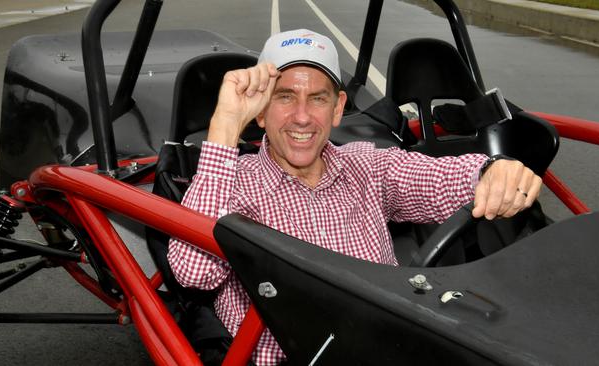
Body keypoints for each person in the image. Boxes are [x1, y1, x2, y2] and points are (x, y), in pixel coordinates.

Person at [168, 29, 542, 365]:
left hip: (389, 344)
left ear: (338, 109)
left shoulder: (366, 166)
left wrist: (492, 170)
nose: (301, 117)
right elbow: (192, 275)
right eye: (285, 97)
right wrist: (225, 127)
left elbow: (440, 179)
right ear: (261, 113)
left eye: (317, 98)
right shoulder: (229, 183)